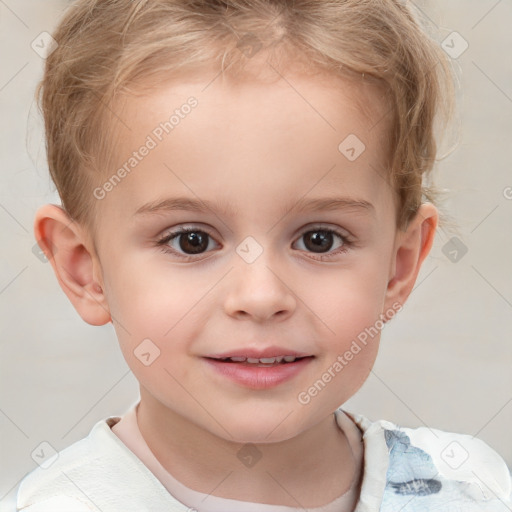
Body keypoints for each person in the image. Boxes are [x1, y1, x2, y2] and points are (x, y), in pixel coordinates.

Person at [15, 0, 512, 510]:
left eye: (320, 239)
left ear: (399, 266)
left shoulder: (474, 491)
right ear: (84, 269)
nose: (260, 297)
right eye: (192, 240)